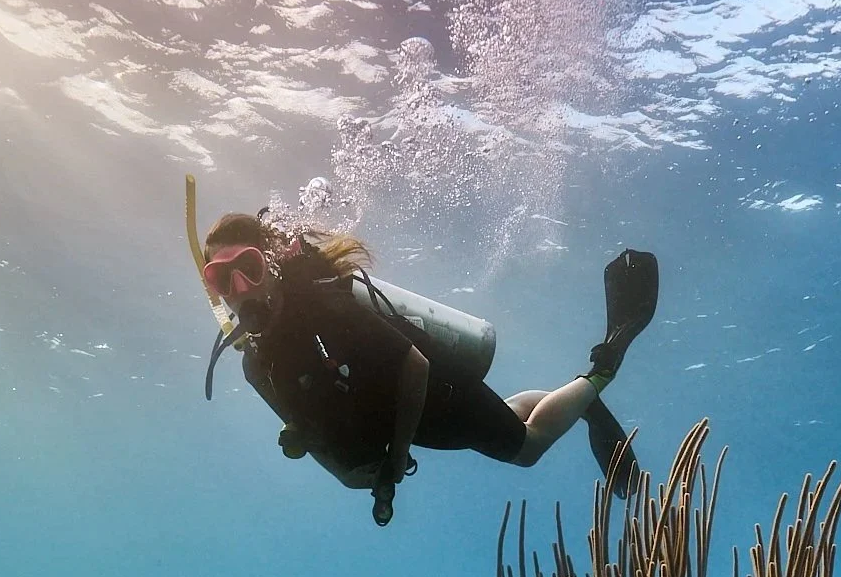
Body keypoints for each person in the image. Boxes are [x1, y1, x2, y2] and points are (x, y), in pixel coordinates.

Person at [197, 211, 659, 525]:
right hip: (411, 420)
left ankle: (601, 373)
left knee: (526, 448)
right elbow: (306, 427)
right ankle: (575, 402)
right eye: (220, 279)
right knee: (509, 419)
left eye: (248, 267)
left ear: (272, 263)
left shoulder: (327, 308)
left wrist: (396, 459)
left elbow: (414, 366)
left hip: (439, 391)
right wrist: (344, 467)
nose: (238, 288)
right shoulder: (258, 360)